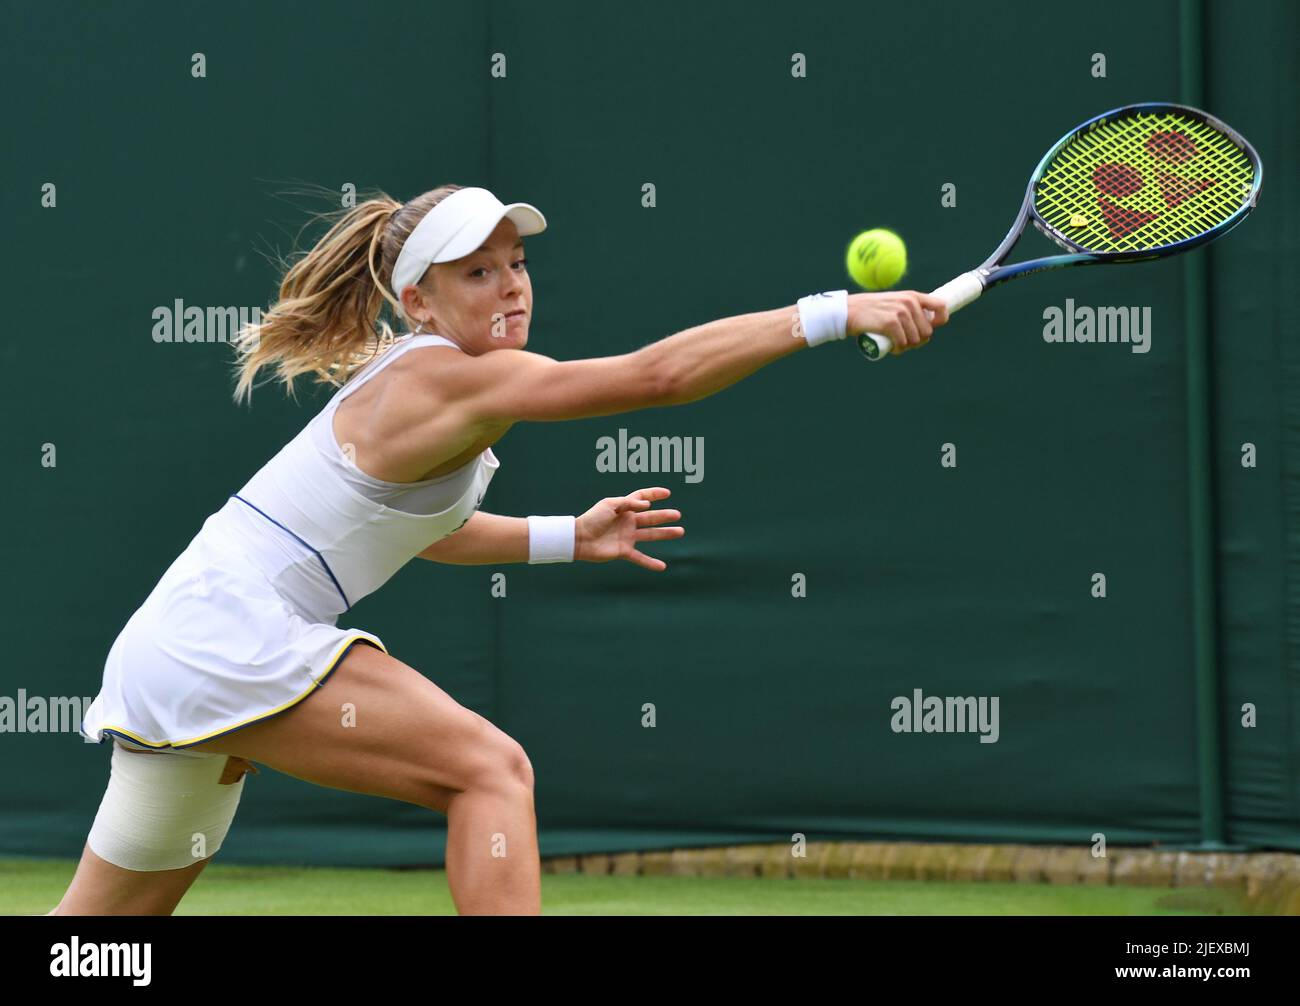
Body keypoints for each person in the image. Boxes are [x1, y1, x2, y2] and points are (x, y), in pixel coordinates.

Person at [51, 183, 948, 916]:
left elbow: (419, 533)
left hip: (180, 645)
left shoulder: (428, 386)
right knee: (491, 770)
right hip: (226, 633)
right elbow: (657, 377)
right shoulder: (448, 377)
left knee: (94, 941)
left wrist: (568, 536)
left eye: (516, 264)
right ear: (420, 303)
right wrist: (831, 313)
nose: (512, 285)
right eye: (477, 272)